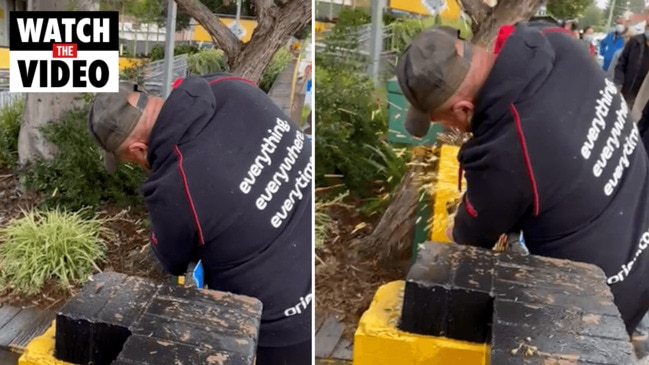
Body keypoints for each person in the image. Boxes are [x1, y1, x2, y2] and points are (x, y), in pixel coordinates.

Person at [395, 23, 649, 338]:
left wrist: (460, 221)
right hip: (640, 238)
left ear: (463, 109)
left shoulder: (504, 149)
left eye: (443, 120)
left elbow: (468, 237)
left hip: (600, 300)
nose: (455, 129)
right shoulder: (556, 43)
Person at [87, 74, 313, 365]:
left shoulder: (174, 186)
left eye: (132, 162)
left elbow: (173, 261)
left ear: (138, 150)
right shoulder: (228, 86)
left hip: (274, 324)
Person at [615, 8, 649, 109]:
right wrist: (618, 83)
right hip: (628, 94)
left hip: (645, 101)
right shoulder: (635, 42)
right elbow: (621, 64)